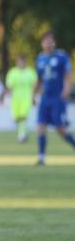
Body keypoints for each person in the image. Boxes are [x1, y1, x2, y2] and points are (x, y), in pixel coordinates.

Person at [34, 31, 74, 164]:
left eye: (50, 41)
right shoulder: (40, 59)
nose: (48, 43)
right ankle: (41, 157)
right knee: (41, 126)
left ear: (54, 42)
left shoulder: (61, 57)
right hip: (45, 98)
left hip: (57, 98)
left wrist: (67, 89)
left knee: (60, 129)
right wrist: (34, 94)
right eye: (46, 41)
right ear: (42, 44)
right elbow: (39, 80)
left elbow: (68, 75)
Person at [5, 55, 37, 143]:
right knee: (16, 118)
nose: (21, 63)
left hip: (27, 98)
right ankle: (24, 132)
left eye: (23, 61)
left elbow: (34, 85)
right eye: (20, 61)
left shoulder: (30, 72)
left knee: (23, 116)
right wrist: (7, 97)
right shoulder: (12, 72)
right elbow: (9, 85)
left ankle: (21, 135)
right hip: (15, 99)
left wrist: (33, 96)